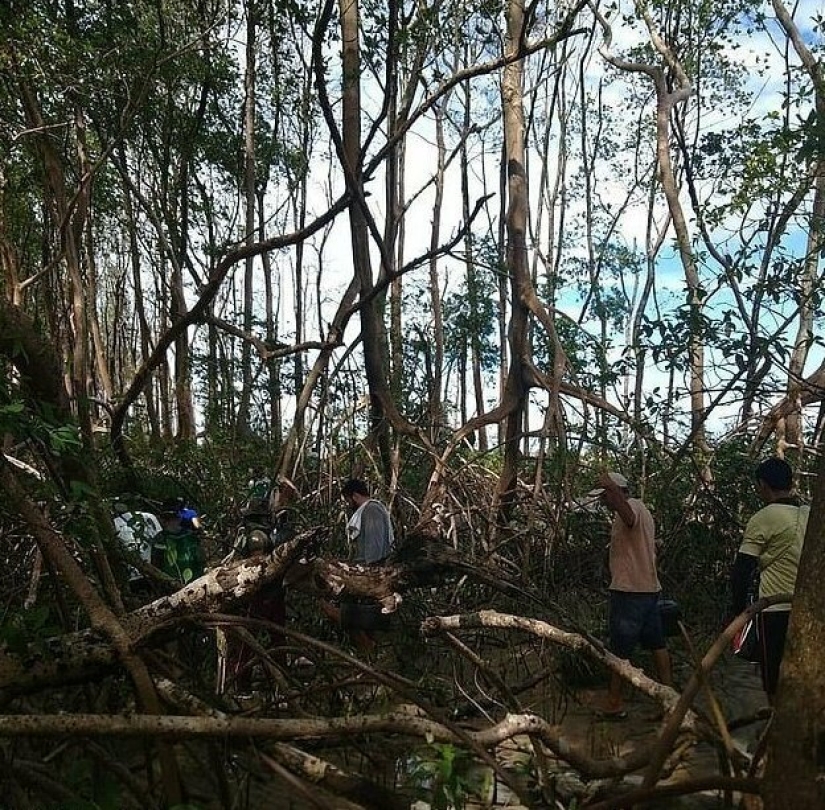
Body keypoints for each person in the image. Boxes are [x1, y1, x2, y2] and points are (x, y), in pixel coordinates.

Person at [593, 470, 672, 718]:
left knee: (619, 651)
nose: (603, 502)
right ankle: (669, 698)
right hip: (648, 589)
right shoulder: (641, 510)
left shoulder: (631, 508)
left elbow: (627, 515)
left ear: (616, 492)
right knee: (656, 643)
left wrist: (609, 487)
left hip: (631, 593)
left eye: (604, 496)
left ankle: (614, 703)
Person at [729, 457, 808, 702]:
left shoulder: (763, 518)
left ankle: (775, 723)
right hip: (808, 608)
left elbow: (743, 569)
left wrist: (738, 612)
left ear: (763, 485)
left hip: (775, 609)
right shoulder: (809, 513)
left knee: (773, 670)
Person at [321, 478, 395, 651]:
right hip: (365, 573)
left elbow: (374, 551)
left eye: (348, 500)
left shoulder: (371, 511)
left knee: (354, 615)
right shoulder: (370, 510)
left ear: (354, 496)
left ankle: (369, 652)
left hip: (370, 575)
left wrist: (364, 575)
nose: (348, 505)